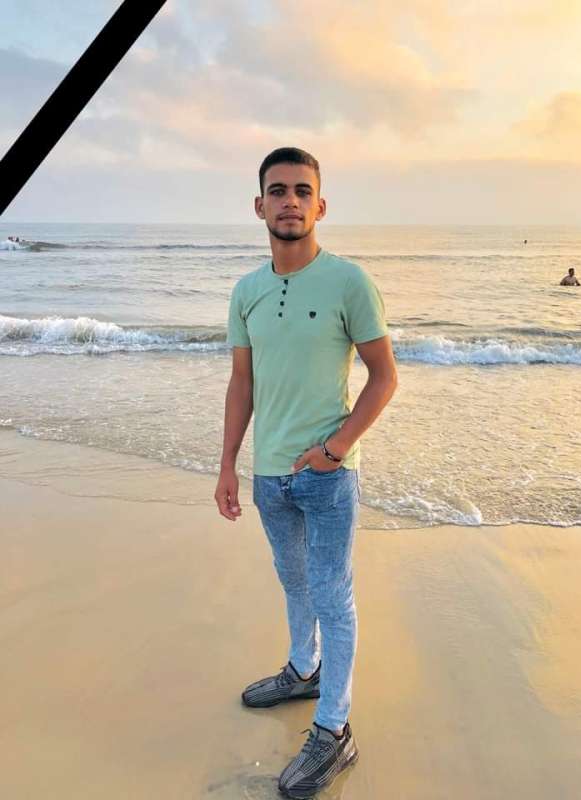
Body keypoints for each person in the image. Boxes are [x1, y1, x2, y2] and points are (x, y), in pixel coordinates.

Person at [215, 147, 397, 798]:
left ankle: (333, 728)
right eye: (277, 191)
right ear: (258, 206)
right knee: (293, 580)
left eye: (301, 191)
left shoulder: (349, 282)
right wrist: (227, 465)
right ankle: (303, 669)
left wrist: (336, 449)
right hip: (269, 476)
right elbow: (242, 385)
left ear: (320, 205)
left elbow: (384, 376)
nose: (289, 201)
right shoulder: (247, 292)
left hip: (327, 477)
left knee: (332, 594)